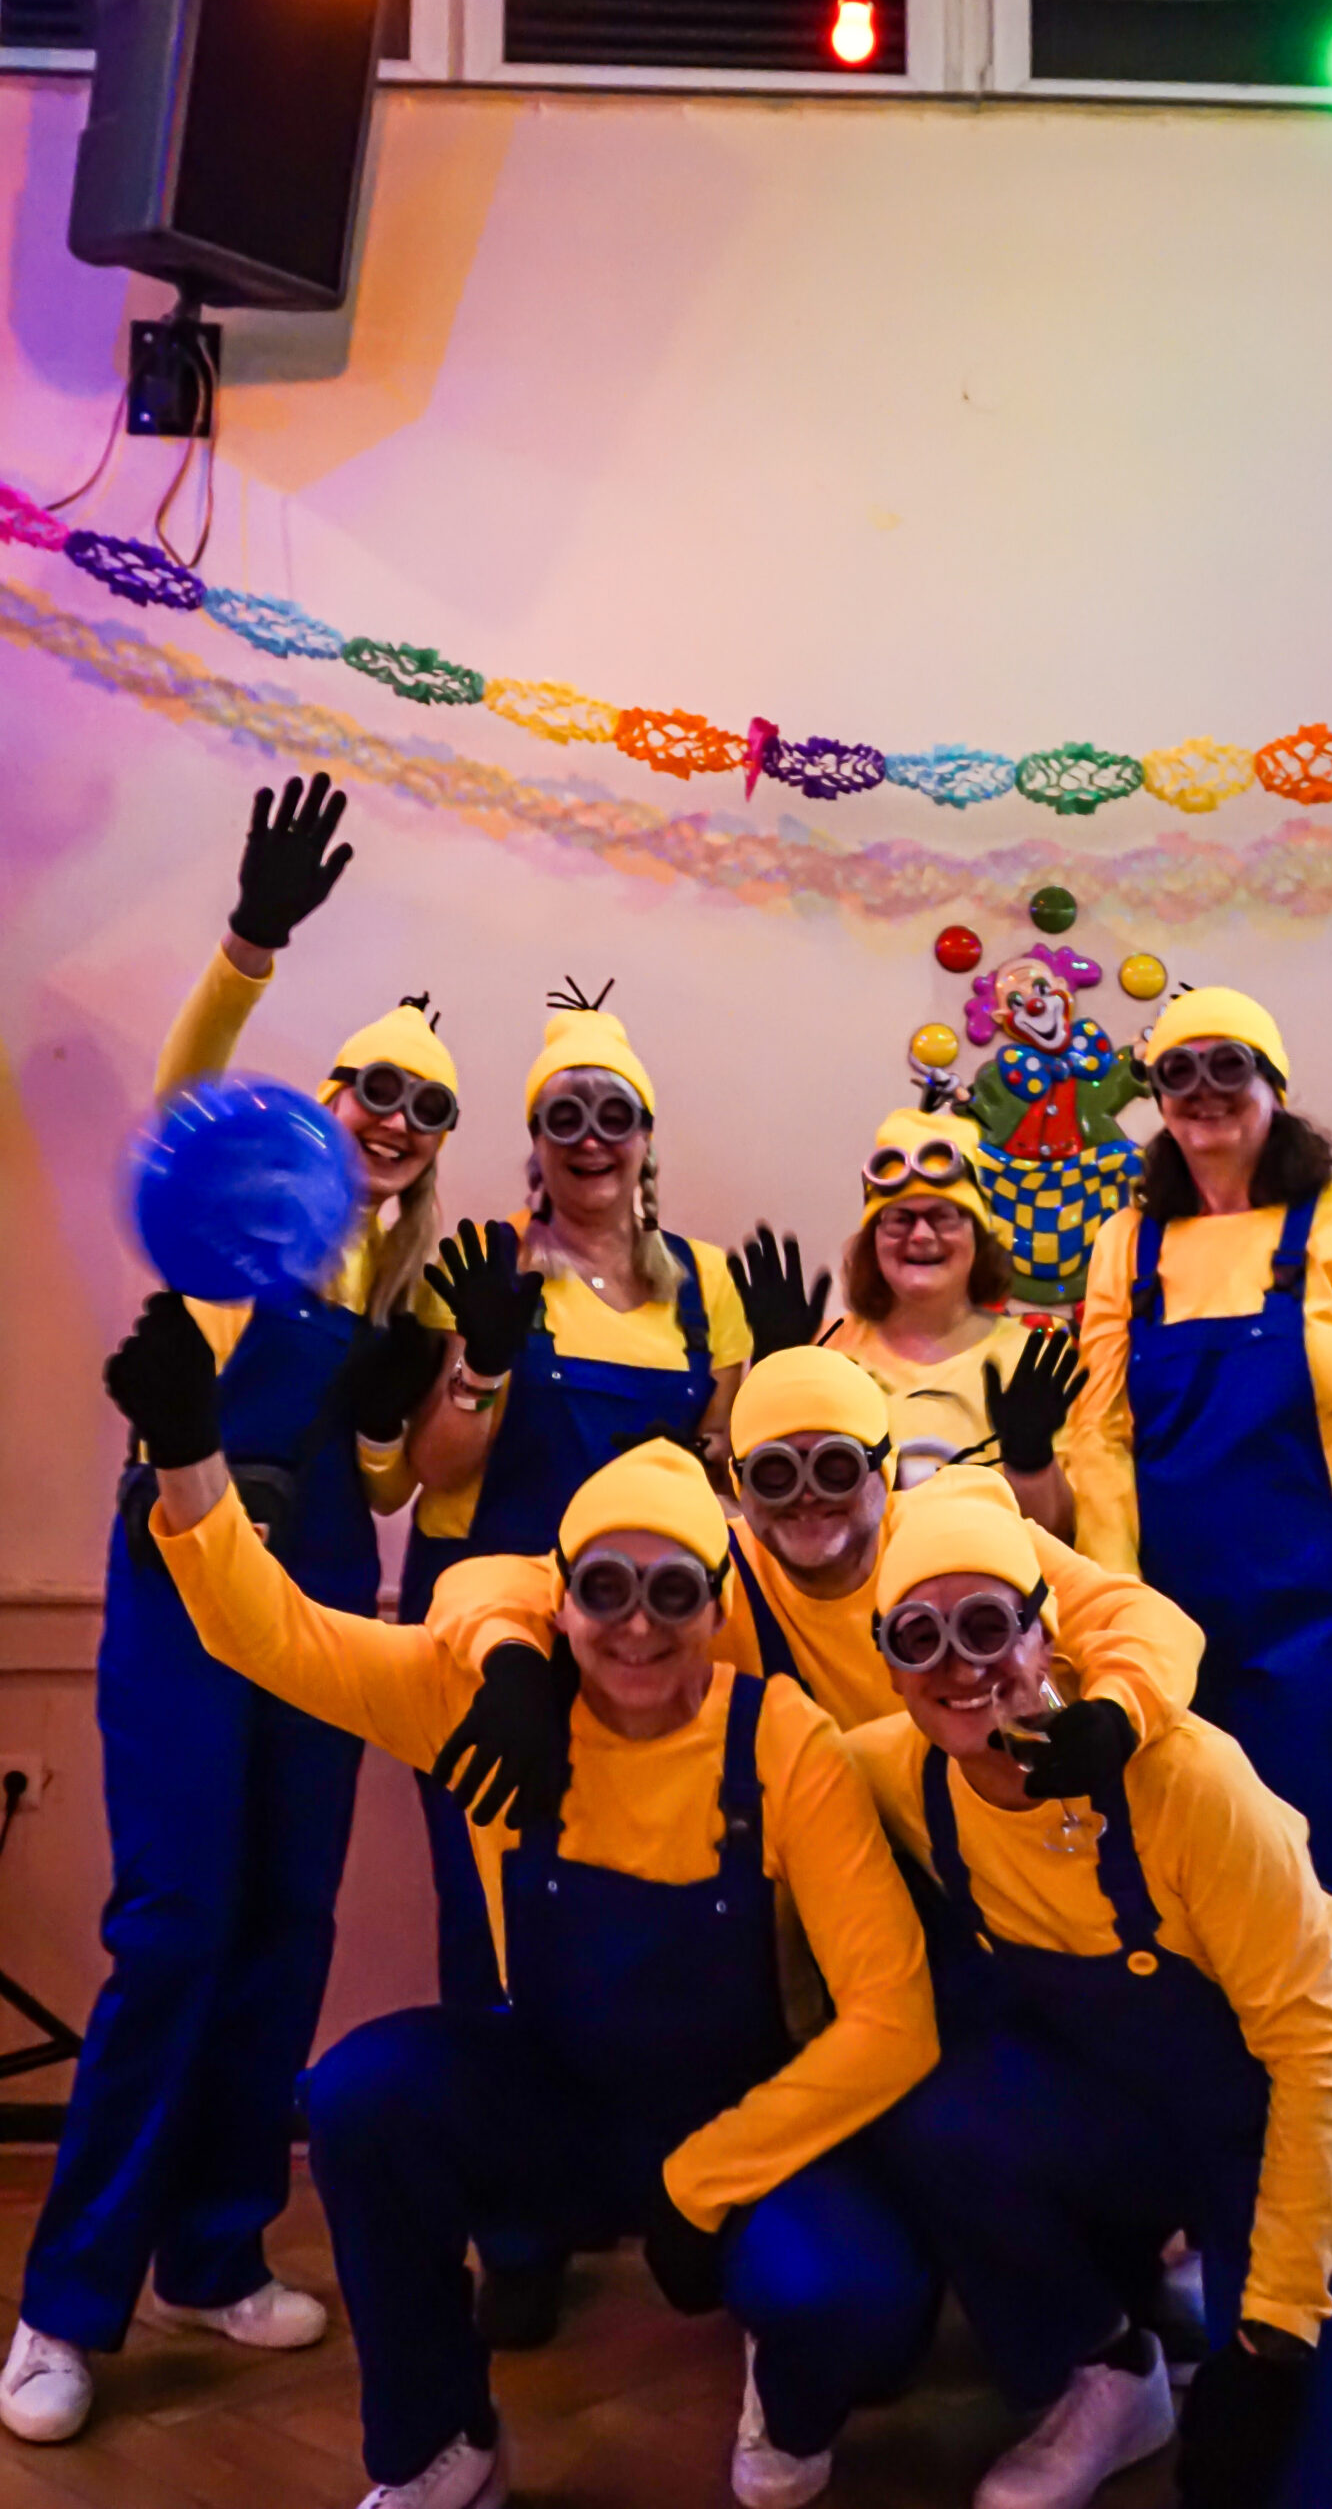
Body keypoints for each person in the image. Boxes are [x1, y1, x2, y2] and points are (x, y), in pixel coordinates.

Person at [87, 1300, 941, 2509]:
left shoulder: (782, 1739)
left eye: (673, 1593)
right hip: (561, 2104)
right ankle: (439, 2444)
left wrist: (706, 2175)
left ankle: (792, 2398)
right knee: (363, 2096)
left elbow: (893, 2018)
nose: (636, 1626)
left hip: (747, 2123)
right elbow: (268, 1635)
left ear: (719, 1605)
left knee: (849, 2298)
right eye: (605, 1588)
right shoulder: (479, 1706)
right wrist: (189, 1461)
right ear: (561, 1598)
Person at [2, 777, 457, 2448]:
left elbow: (389, 1487)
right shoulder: (229, 1208)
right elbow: (188, 1079)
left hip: (320, 1590)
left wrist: (410, 1398)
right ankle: (66, 2304)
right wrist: (252, 944)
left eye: (426, 1104)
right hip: (183, 1572)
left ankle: (212, 2252)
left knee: (283, 1926)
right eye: (375, 1084)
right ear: (325, 1096)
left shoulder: (399, 1280)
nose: (395, 1114)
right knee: (178, 1925)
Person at [850, 1466, 1332, 2509]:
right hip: (1160, 2111)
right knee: (937, 2112)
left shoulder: (1185, 1779)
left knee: (1316, 2487)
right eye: (919, 1638)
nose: (959, 1666)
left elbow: (1316, 2054)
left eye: (988, 1625)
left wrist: (1272, 2340)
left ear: (1046, 1632)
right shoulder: (893, 1774)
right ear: (889, 1663)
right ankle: (1107, 2367)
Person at [395, 981, 750, 2154]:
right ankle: (511, 2199)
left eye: (614, 1114)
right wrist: (482, 1364)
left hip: (648, 1645)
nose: (591, 1138)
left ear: (646, 1136)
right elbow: (432, 1466)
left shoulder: (707, 1285)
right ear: (536, 1139)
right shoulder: (485, 1267)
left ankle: (640, 2168)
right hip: (490, 1639)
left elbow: (724, 1467)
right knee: (489, 1913)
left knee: (640, 1909)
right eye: (565, 1116)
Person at [1067, 987, 1332, 1960]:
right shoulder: (1126, 1243)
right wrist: (1119, 1622)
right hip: (1175, 1629)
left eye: (1228, 1065)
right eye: (1177, 1071)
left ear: (1274, 1083)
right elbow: (1098, 1438)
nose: (1202, 1090)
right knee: (1183, 1888)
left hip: (1320, 1632)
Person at [425, 1347, 1203, 1769]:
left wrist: (1116, 1714)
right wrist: (512, 1662)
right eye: (774, 1473)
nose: (805, 1497)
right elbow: (485, 1583)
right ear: (738, 1485)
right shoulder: (715, 1570)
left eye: (832, 1466)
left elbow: (1141, 1618)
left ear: (883, 1470)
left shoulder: (960, 1540)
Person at [750, 1105, 1079, 1525]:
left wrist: (1031, 1463)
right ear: (873, 1241)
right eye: (900, 1219)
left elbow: (1059, 1537)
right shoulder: (822, 1352)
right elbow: (769, 1508)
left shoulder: (1037, 1360)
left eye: (943, 1217)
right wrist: (771, 1372)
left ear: (978, 1238)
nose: (921, 1235)